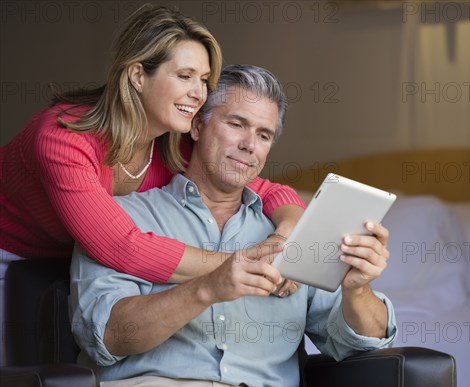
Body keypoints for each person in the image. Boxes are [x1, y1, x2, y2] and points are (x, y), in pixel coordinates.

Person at [70, 64, 397, 387]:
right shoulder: (123, 218)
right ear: (197, 125)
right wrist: (207, 288)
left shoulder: (292, 233)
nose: (249, 145)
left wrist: (358, 290)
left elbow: (356, 345)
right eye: (237, 124)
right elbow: (108, 336)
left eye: (264, 135)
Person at [0, 6, 303, 289]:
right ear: (137, 76)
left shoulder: (176, 139)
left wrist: (283, 239)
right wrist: (249, 266)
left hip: (76, 265)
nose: (199, 94)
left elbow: (267, 189)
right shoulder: (61, 138)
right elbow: (123, 247)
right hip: (9, 253)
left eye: (204, 80)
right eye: (185, 76)